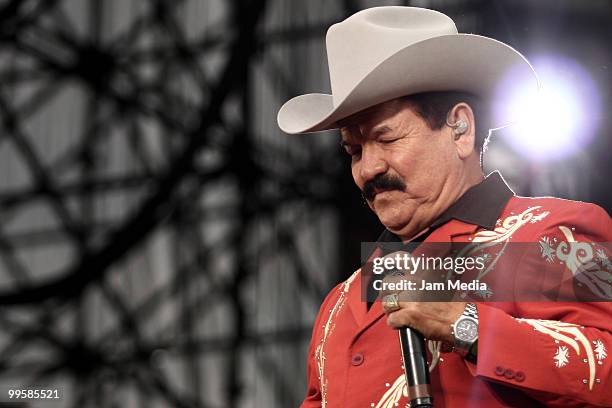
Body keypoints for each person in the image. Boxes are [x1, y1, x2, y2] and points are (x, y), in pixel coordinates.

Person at [277, 6, 612, 408]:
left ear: (460, 129)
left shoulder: (550, 234)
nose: (368, 168)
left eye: (386, 139)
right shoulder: (339, 303)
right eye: (354, 150)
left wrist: (464, 324)